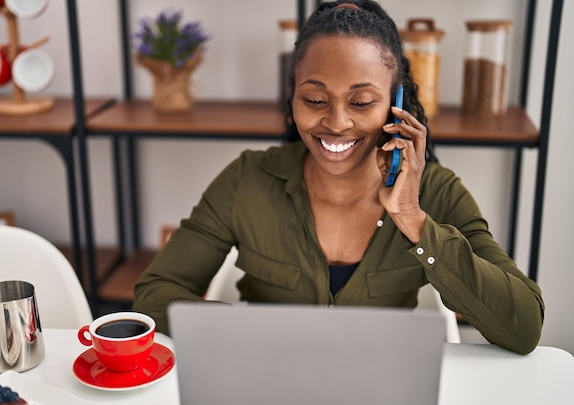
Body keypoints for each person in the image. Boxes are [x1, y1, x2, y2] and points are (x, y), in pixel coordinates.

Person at [133, 0, 544, 354]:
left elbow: (524, 327)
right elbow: (154, 294)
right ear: (292, 94)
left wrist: (414, 221)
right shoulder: (247, 179)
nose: (336, 122)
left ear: (396, 104)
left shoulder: (437, 191)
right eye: (315, 99)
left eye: (362, 102)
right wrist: (248, 330)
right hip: (265, 388)